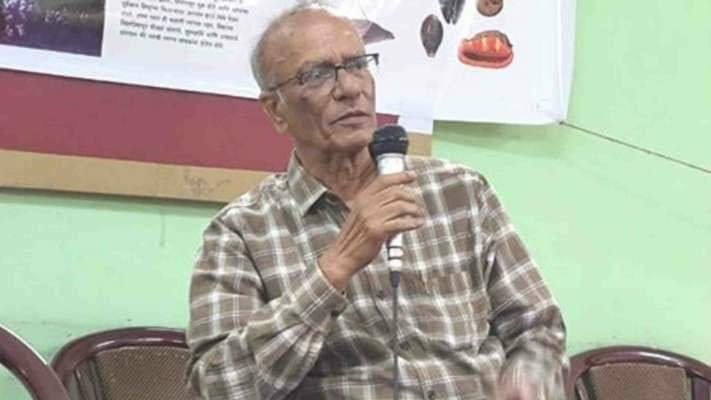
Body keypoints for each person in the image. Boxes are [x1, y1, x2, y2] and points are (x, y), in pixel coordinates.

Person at [187, 4, 567, 399]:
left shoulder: (460, 192)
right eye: (317, 75)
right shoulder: (240, 232)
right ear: (275, 111)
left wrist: (528, 382)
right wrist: (333, 270)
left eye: (357, 64)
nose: (350, 88)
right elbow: (219, 385)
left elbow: (538, 326)